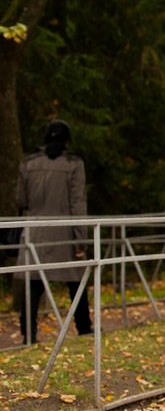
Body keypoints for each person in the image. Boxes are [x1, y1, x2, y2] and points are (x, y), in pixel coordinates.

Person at [17, 119, 92, 344]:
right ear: (67, 141)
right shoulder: (73, 164)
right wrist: (81, 239)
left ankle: (28, 335)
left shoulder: (28, 163)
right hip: (65, 234)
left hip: (35, 233)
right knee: (77, 283)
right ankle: (84, 329)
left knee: (32, 284)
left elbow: (21, 200)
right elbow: (78, 203)